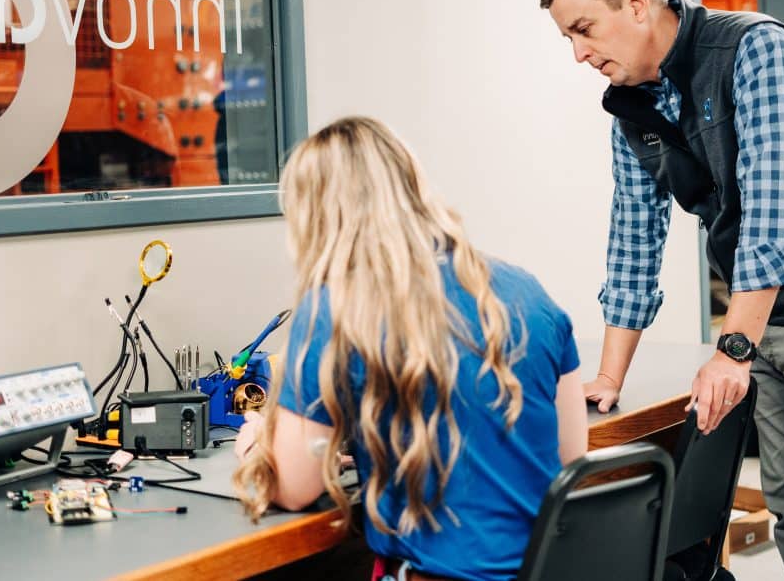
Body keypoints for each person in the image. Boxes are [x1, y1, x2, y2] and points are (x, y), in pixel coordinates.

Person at [540, 0, 784, 581]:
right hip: (765, 317)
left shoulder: (754, 49)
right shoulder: (631, 107)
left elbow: (774, 211)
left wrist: (733, 349)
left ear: (634, 4)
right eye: (567, 38)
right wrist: (608, 376)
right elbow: (634, 237)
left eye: (583, 29)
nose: (578, 54)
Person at [233, 116, 588, 581]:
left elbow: (295, 489)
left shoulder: (335, 311)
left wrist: (257, 444)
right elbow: (569, 459)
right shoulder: (527, 292)